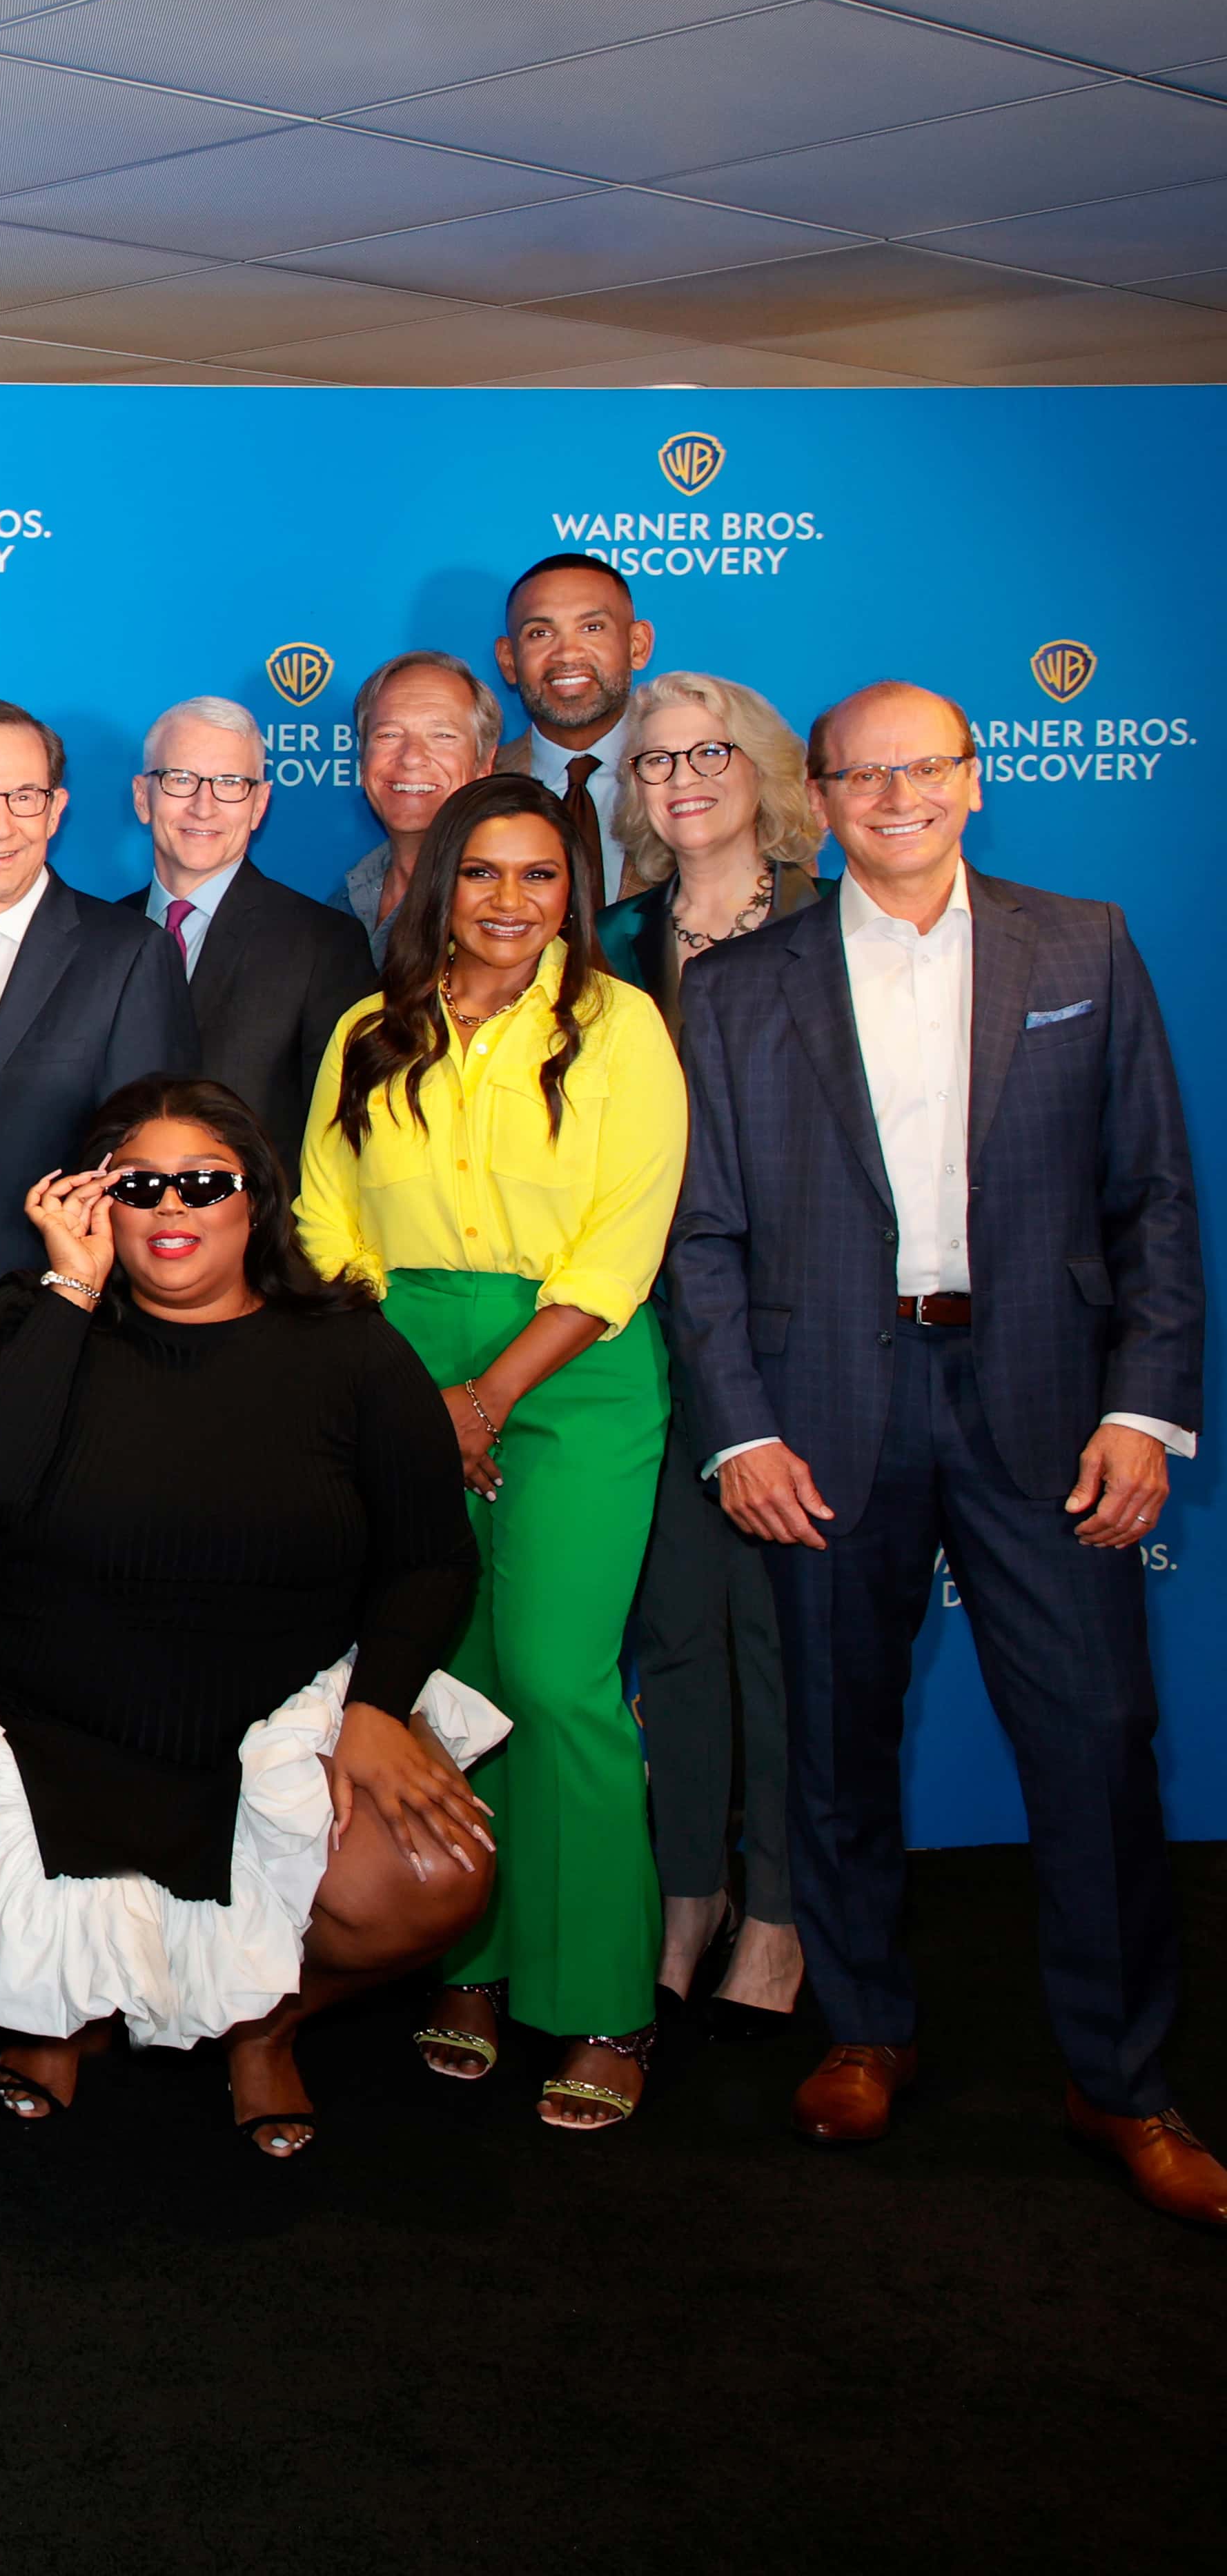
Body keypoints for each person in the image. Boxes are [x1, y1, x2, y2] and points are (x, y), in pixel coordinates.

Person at [671, 682, 1222, 2231]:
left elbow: (1155, 1197)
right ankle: (866, 2028)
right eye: (863, 775)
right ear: (820, 796)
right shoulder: (740, 985)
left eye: (925, 768)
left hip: (1049, 1405)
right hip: (824, 1411)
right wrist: (742, 1428)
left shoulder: (1084, 946)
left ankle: (1121, 2080)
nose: (897, 796)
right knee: (836, 1741)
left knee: (1098, 1744)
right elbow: (702, 1235)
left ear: (975, 780)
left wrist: (1144, 1408)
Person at [0, 1076, 496, 2159]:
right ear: (97, 1201)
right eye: (139, 1186)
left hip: (262, 1735)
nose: (172, 1206)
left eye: (203, 1182)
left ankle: (264, 2022)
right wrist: (71, 1287)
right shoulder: (36, 1319)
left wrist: (376, 1710)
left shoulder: (353, 1352)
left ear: (256, 1201)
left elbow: (430, 1559)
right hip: (56, 1734)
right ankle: (61, 2012)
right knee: (24, 1944)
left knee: (432, 1873)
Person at [297, 771, 683, 2132]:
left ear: (573, 890)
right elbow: (326, 1218)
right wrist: (415, 1392)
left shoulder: (621, 1025)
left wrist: (490, 1393)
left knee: (560, 1680)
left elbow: (624, 1236)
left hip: (572, 1364)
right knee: (451, 1677)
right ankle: (471, 1958)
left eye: (540, 874)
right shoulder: (370, 1028)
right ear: (438, 884)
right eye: (483, 872)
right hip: (403, 1359)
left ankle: (602, 2000)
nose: (510, 900)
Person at [590, 672, 823, 2036]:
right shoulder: (613, 938)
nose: (681, 778)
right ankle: (688, 1891)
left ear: (764, 770)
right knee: (677, 1629)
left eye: (707, 754)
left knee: (784, 1637)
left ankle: (780, 1909)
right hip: (641, 1326)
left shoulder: (831, 922)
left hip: (802, 1330)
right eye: (656, 759)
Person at [0, 700, 195, 1633]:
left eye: (23, 796)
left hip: (43, 1344)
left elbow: (149, 1172)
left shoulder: (127, 955)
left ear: (58, 808)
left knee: (25, 1625)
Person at [119, 694, 375, 1167]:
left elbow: (343, 1138)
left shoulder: (325, 945)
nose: (204, 807)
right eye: (181, 779)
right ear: (142, 797)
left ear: (259, 805)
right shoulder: (98, 937)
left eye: (230, 784)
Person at [493, 553, 656, 898]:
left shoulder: (694, 779)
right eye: (540, 633)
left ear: (637, 645)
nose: (567, 654)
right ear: (509, 660)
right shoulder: (479, 784)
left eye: (592, 628)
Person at [336, 651, 501, 940]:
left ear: (485, 763)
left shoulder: (500, 911)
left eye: (442, 736)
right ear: (363, 762)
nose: (412, 758)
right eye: (389, 735)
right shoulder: (348, 900)